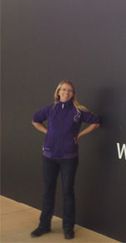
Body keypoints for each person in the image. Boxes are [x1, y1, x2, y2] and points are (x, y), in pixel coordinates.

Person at [30, 80, 100, 240]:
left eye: (69, 90)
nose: (66, 92)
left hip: (69, 158)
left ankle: (68, 228)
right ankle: (44, 225)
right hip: (49, 157)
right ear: (58, 92)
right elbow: (35, 120)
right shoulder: (50, 109)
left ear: (73, 94)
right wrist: (47, 133)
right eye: (63, 90)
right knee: (48, 191)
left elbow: (96, 122)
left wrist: (79, 135)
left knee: (68, 192)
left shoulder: (78, 111)